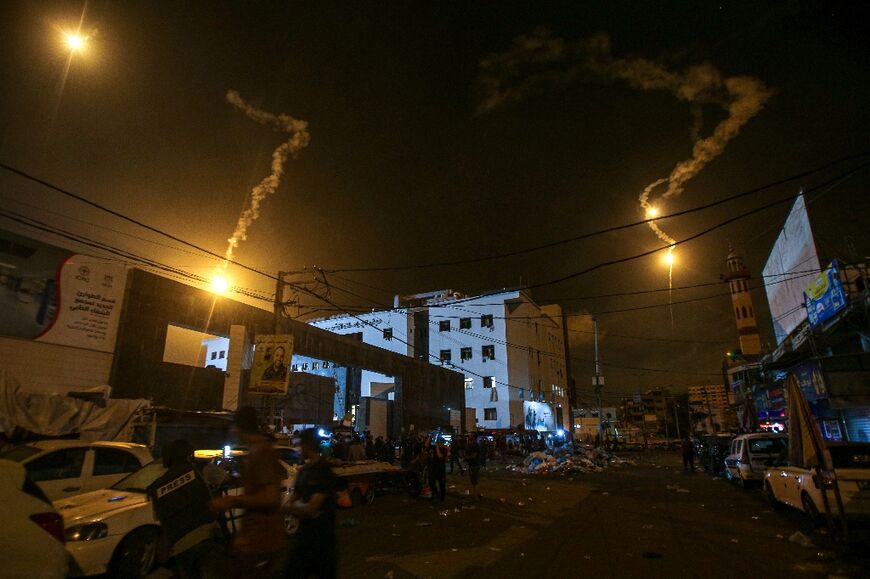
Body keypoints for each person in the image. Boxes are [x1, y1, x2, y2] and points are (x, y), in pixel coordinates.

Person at [210, 407, 285, 576]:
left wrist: (233, 501)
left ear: (238, 427)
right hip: (256, 540)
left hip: (263, 540)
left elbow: (271, 497)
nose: (230, 430)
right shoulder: (255, 451)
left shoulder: (260, 451)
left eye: (232, 426)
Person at [147, 439, 222, 579]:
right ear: (188, 455)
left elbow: (161, 520)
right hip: (207, 536)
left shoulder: (157, 487)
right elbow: (221, 481)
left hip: (180, 546)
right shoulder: (199, 470)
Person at [284, 428, 338, 579]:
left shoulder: (323, 471)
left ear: (308, 445)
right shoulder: (304, 471)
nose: (298, 448)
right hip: (304, 539)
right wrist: (302, 509)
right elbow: (291, 504)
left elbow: (309, 508)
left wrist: (297, 508)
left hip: (323, 541)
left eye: (300, 444)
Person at [428, 437, 448, 502]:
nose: (439, 444)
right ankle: (435, 494)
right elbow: (426, 445)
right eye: (438, 442)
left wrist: (436, 447)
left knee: (442, 484)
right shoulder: (435, 447)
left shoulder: (444, 449)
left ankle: (442, 498)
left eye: (440, 443)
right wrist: (429, 437)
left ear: (442, 443)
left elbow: (439, 456)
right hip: (433, 469)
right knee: (431, 482)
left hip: (441, 470)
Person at [465, 434, 482, 501]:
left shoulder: (475, 445)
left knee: (474, 481)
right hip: (472, 465)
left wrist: (466, 457)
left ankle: (475, 496)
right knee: (474, 481)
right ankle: (478, 494)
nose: (469, 436)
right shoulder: (470, 445)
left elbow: (474, 455)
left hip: (474, 465)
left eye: (470, 435)